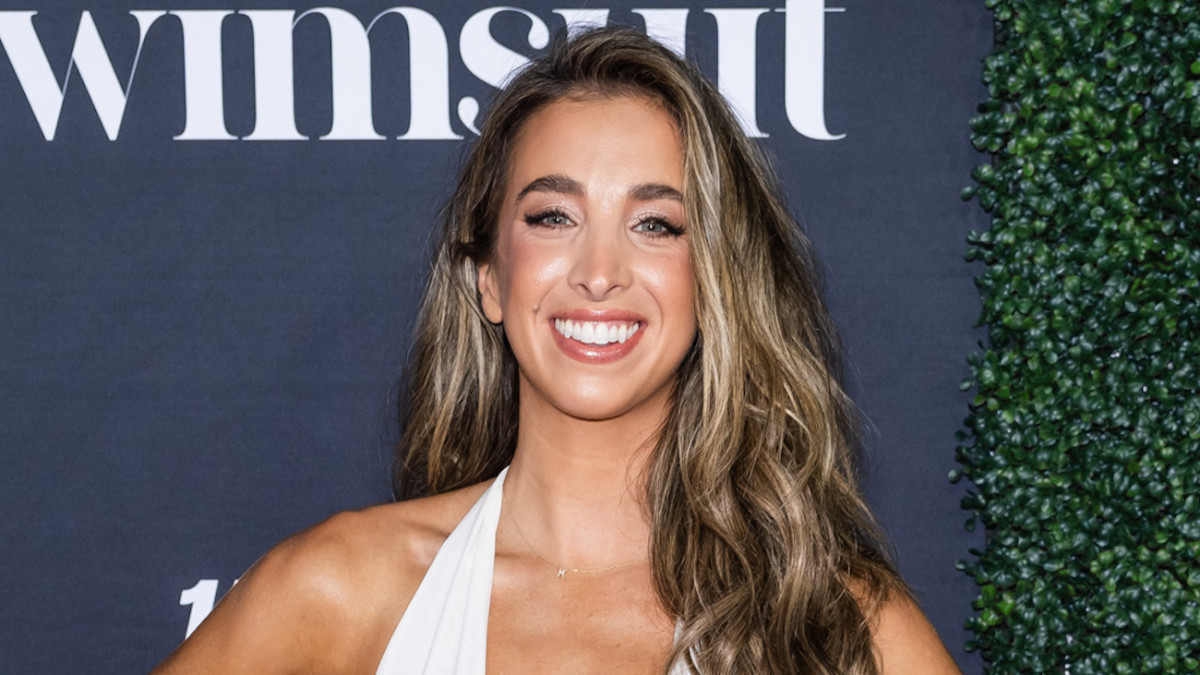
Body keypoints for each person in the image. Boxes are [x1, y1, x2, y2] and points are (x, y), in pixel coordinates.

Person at [152, 26, 961, 675]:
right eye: (551, 217)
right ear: (488, 280)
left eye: (656, 225)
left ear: (717, 282)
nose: (600, 274)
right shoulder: (343, 588)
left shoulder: (834, 626)